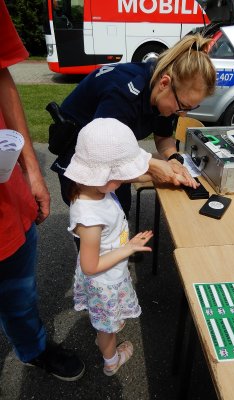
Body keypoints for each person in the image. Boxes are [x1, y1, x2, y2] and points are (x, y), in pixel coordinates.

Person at [0, 0, 85, 381]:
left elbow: (1, 76)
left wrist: (32, 170)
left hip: (7, 200)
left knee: (19, 294)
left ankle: (32, 348)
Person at [49, 33, 216, 216]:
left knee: (121, 207)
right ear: (164, 83)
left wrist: (174, 160)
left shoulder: (167, 94)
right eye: (183, 106)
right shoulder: (124, 93)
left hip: (109, 154)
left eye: (189, 108)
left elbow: (163, 136)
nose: (182, 113)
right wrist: (152, 167)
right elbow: (106, 152)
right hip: (81, 158)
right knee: (95, 219)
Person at [64, 118, 155, 375]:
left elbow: (127, 178)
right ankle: (111, 359)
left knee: (108, 321)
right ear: (103, 176)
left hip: (111, 272)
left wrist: (157, 175)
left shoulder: (96, 188)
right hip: (103, 280)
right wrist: (129, 248)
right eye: (119, 176)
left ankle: (108, 325)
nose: (124, 180)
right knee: (107, 330)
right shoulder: (90, 218)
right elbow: (90, 266)